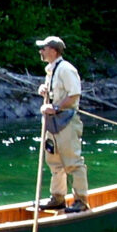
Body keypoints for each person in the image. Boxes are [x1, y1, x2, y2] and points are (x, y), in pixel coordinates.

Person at [34, 36, 89, 213]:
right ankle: (58, 198)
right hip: (53, 123)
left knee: (73, 162)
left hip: (67, 122)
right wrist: (44, 90)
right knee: (54, 161)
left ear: (53, 50)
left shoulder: (66, 69)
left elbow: (74, 95)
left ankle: (81, 201)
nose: (41, 51)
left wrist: (56, 107)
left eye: (43, 48)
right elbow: (57, 92)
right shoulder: (51, 70)